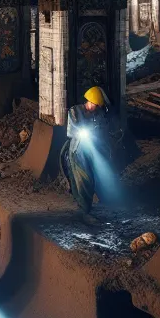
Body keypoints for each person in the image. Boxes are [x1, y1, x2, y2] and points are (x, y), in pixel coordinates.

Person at [61, 85, 120, 225]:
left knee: (92, 178)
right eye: (93, 104)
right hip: (77, 150)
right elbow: (71, 132)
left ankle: (90, 205)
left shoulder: (97, 114)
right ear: (88, 100)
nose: (94, 107)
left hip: (91, 149)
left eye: (96, 105)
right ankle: (84, 212)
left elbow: (100, 128)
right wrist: (84, 132)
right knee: (82, 179)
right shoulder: (74, 111)